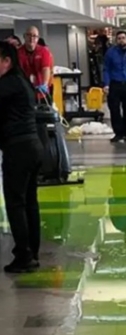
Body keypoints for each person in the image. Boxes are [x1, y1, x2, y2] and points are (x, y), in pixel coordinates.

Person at [0, 41, 44, 272]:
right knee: (29, 202)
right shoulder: (22, 80)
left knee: (16, 203)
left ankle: (24, 256)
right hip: (33, 146)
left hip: (18, 149)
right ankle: (32, 252)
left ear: (6, 61)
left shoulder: (8, 84)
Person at [17, 26, 52, 98]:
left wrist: (44, 84)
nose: (31, 38)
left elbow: (45, 68)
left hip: (41, 91)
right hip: (24, 91)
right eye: (28, 35)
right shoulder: (18, 52)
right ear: (24, 36)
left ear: (38, 38)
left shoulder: (43, 51)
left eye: (34, 36)